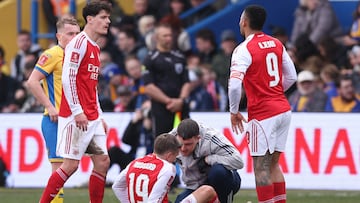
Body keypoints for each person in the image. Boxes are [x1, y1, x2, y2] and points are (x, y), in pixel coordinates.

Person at [39, 1, 111, 203]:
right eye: (104, 17)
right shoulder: (78, 43)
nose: (108, 21)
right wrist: (77, 111)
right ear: (90, 19)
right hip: (75, 116)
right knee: (70, 166)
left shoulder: (94, 47)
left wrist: (100, 115)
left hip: (92, 116)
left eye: (108, 17)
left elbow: (91, 87)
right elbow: (67, 79)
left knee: (103, 162)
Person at [228, 5, 297, 203]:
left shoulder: (243, 49)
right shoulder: (276, 43)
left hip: (263, 114)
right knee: (274, 164)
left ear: (244, 22)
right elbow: (291, 77)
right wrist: (273, 92)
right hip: (283, 109)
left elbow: (234, 86)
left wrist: (234, 111)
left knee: (261, 167)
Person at [26, 15, 80, 203]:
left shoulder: (80, 55)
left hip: (77, 120)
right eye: (69, 34)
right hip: (55, 120)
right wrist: (50, 107)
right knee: (59, 169)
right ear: (59, 36)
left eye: (77, 34)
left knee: (79, 165)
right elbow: (32, 81)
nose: (74, 38)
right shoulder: (52, 54)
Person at [112, 133, 219, 203]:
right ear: (168, 155)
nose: (175, 159)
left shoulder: (135, 162)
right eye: (175, 156)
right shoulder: (167, 168)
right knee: (207, 191)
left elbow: (117, 186)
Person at [170, 118, 243, 203]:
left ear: (198, 138)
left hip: (221, 180)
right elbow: (157, 163)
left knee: (218, 172)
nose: (183, 148)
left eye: (188, 144)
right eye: (180, 144)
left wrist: (208, 160)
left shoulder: (211, 138)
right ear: (177, 137)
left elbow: (238, 161)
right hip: (194, 186)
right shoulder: (170, 140)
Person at [142, 23, 192, 137]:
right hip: (161, 108)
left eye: (170, 35)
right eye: (165, 36)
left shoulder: (180, 56)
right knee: (163, 141)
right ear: (156, 37)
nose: (168, 38)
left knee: (186, 138)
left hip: (181, 107)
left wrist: (181, 100)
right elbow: (148, 87)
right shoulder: (150, 59)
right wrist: (168, 101)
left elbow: (186, 82)